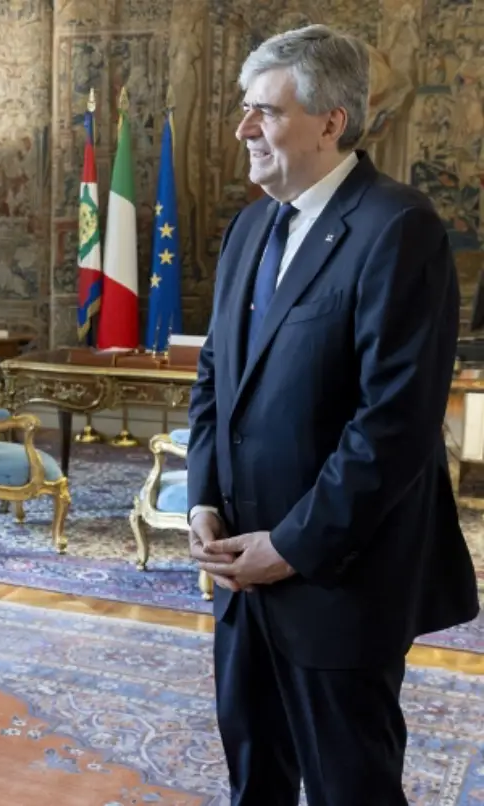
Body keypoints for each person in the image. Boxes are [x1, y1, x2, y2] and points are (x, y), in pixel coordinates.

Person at [187, 24, 480, 805]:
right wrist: (203, 498)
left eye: (265, 111)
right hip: (240, 573)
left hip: (339, 579)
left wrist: (289, 547)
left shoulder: (398, 228)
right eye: (245, 108)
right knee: (254, 779)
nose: (244, 129)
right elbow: (215, 379)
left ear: (331, 122)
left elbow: (394, 425)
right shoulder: (249, 227)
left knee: (352, 788)